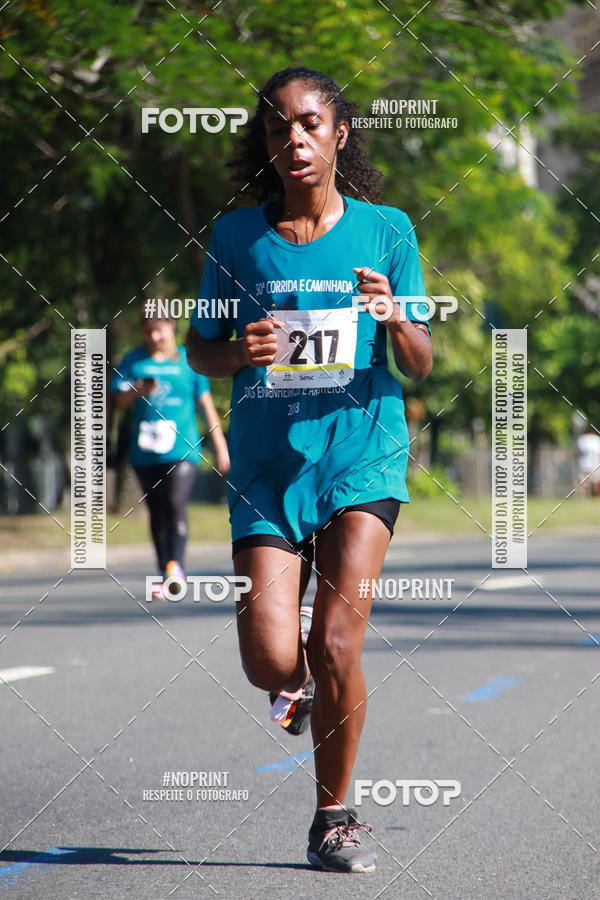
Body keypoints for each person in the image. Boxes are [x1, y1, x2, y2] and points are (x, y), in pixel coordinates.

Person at [186, 66, 432, 873]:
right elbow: (201, 351)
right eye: (278, 127)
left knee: (335, 642)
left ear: (340, 134)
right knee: (270, 658)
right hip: (265, 465)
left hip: (363, 458)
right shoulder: (234, 239)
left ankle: (333, 816)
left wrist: (396, 316)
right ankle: (289, 687)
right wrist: (238, 351)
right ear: (267, 142)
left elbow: (422, 363)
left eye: (310, 123)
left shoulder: (388, 230)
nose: (294, 138)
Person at [110, 309, 230, 597]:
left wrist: (220, 447)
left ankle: (176, 566)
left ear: (172, 328)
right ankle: (164, 570)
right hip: (145, 450)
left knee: (175, 502)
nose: (154, 336)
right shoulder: (133, 361)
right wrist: (137, 391)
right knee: (156, 510)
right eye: (148, 331)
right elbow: (118, 403)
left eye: (159, 330)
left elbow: (206, 406)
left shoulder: (188, 361)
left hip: (183, 448)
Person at [576, 426, 600, 496]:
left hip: (584, 463)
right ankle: (596, 495)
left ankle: (585, 495)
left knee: (585, 482)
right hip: (593, 463)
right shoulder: (596, 439)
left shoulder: (581, 439)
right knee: (596, 481)